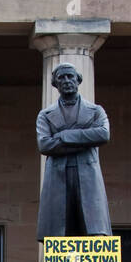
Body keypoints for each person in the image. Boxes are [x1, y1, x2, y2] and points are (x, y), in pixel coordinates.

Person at [36, 63, 111, 240]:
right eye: (61, 78)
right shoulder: (45, 115)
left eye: (70, 76)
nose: (67, 81)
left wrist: (65, 136)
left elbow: (103, 134)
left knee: (94, 229)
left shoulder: (95, 111)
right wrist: (86, 140)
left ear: (78, 80)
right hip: (58, 176)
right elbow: (45, 145)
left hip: (87, 176)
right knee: (59, 230)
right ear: (55, 84)